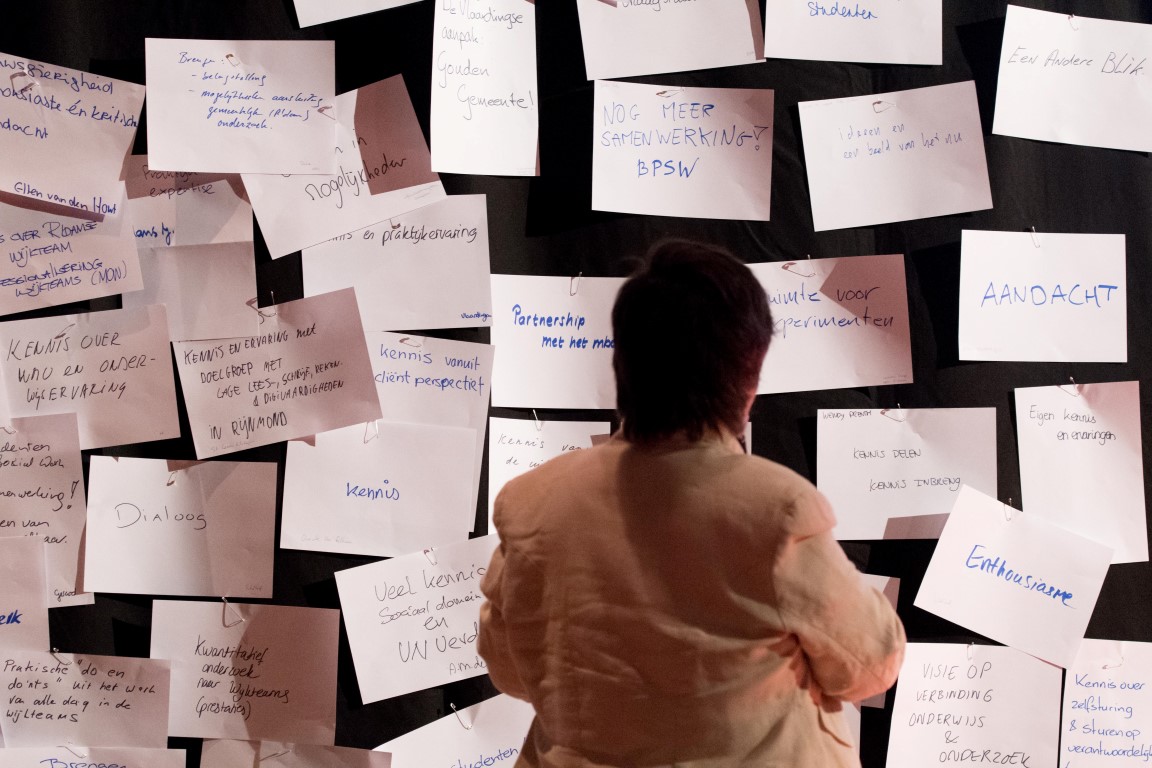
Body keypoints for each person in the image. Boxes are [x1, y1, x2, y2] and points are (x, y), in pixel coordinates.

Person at [478, 239, 906, 768]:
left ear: (623, 362)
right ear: (748, 371)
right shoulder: (778, 511)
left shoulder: (532, 502)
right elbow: (870, 665)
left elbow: (510, 669)